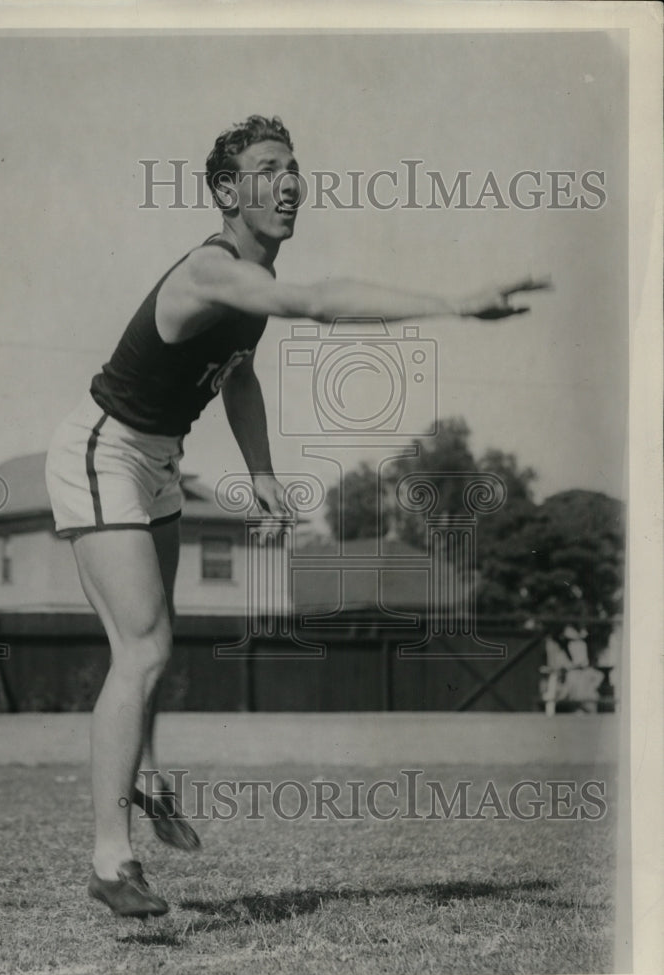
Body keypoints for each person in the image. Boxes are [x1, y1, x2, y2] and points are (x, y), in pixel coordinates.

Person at [45, 114, 549, 919]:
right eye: (268, 166)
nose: (289, 181)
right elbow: (315, 304)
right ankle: (110, 860)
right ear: (226, 190)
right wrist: (452, 304)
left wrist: (263, 471)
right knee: (143, 648)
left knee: (148, 645)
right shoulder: (213, 271)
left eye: (294, 166)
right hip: (103, 450)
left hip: (159, 459)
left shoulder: (246, 288)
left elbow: (237, 375)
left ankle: (142, 774)